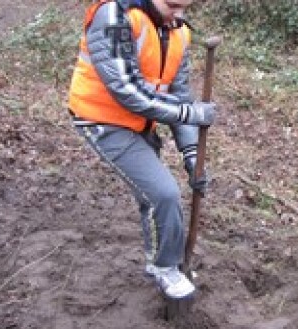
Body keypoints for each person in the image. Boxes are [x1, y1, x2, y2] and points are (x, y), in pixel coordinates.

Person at [67, 0, 217, 300]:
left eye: (183, 8)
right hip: (103, 120)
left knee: (152, 196)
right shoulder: (115, 15)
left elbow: (179, 94)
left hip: (141, 124)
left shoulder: (178, 30)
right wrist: (190, 115)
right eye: (172, 7)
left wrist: (191, 153)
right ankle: (166, 268)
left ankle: (159, 263)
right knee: (163, 193)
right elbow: (127, 90)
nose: (178, 16)